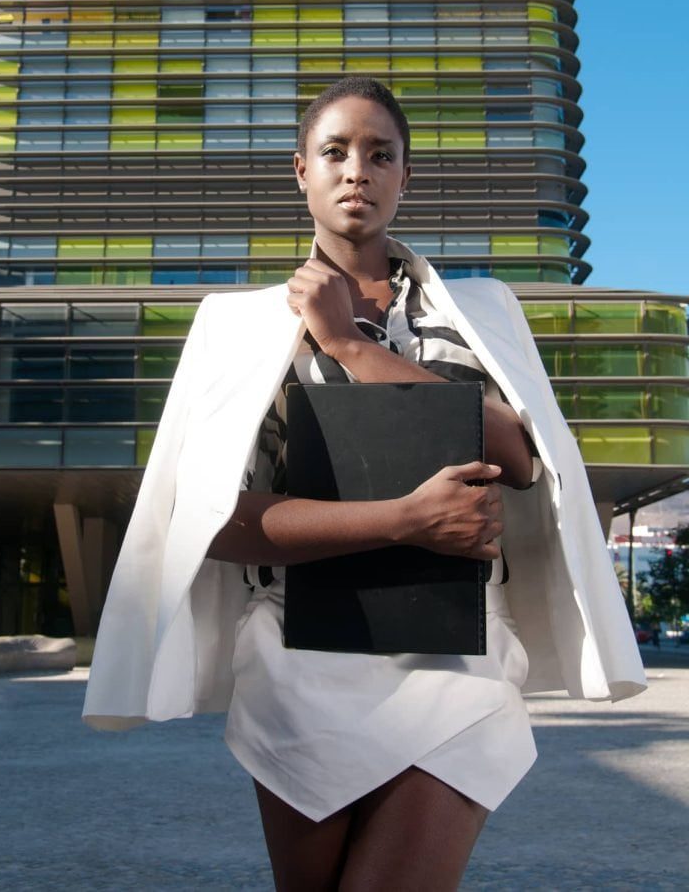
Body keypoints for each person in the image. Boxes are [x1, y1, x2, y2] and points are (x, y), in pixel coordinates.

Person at [83, 77, 646, 891]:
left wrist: (350, 346)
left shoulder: (482, 309)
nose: (358, 170)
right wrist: (404, 518)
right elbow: (216, 520)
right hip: (301, 655)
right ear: (301, 172)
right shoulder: (233, 324)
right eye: (336, 152)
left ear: (405, 178)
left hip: (462, 659)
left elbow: (521, 455)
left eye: (381, 154)